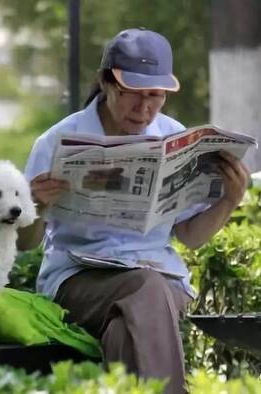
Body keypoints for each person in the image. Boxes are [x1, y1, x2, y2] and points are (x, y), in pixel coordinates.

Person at [17, 28, 250, 394]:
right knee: (145, 286)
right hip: (80, 280)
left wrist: (228, 201)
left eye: (155, 96)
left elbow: (190, 236)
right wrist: (36, 204)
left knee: (126, 328)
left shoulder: (174, 136)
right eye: (133, 95)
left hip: (159, 278)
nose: (144, 109)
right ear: (105, 83)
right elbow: (24, 244)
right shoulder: (57, 141)